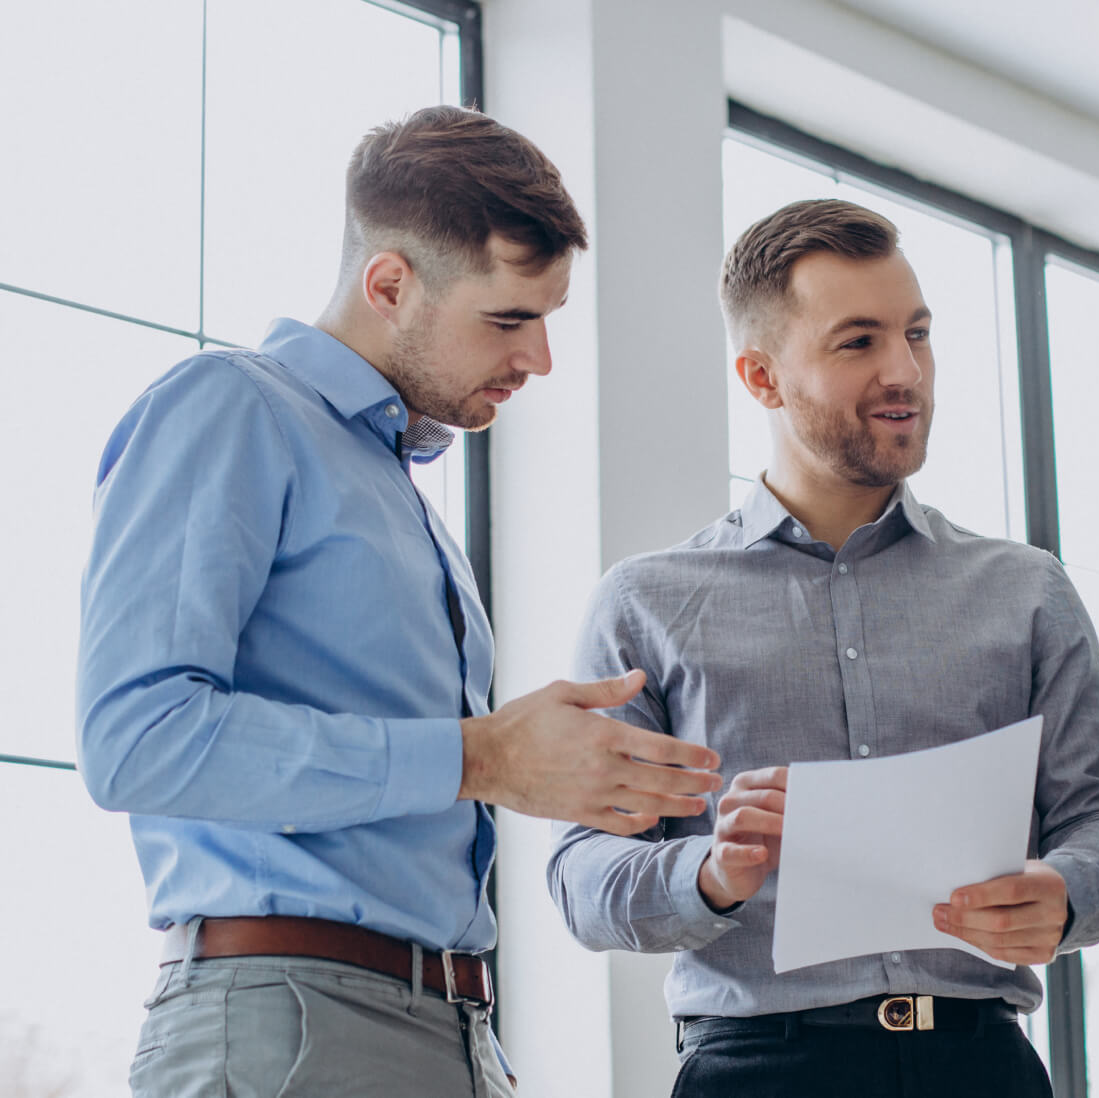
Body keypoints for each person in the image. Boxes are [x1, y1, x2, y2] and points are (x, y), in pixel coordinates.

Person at [76, 105, 722, 1098]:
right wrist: (485, 756)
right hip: (293, 1025)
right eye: (509, 319)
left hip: (448, 1030)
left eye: (546, 319)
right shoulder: (230, 409)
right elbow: (137, 740)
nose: (538, 359)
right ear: (389, 283)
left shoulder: (393, 489)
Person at [547, 198, 1099, 1098]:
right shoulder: (646, 603)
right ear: (761, 377)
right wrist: (708, 872)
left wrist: (1063, 893)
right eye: (858, 341)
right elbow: (580, 875)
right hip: (756, 1071)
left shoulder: (1025, 590)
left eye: (917, 334)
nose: (904, 370)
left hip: (982, 1064)